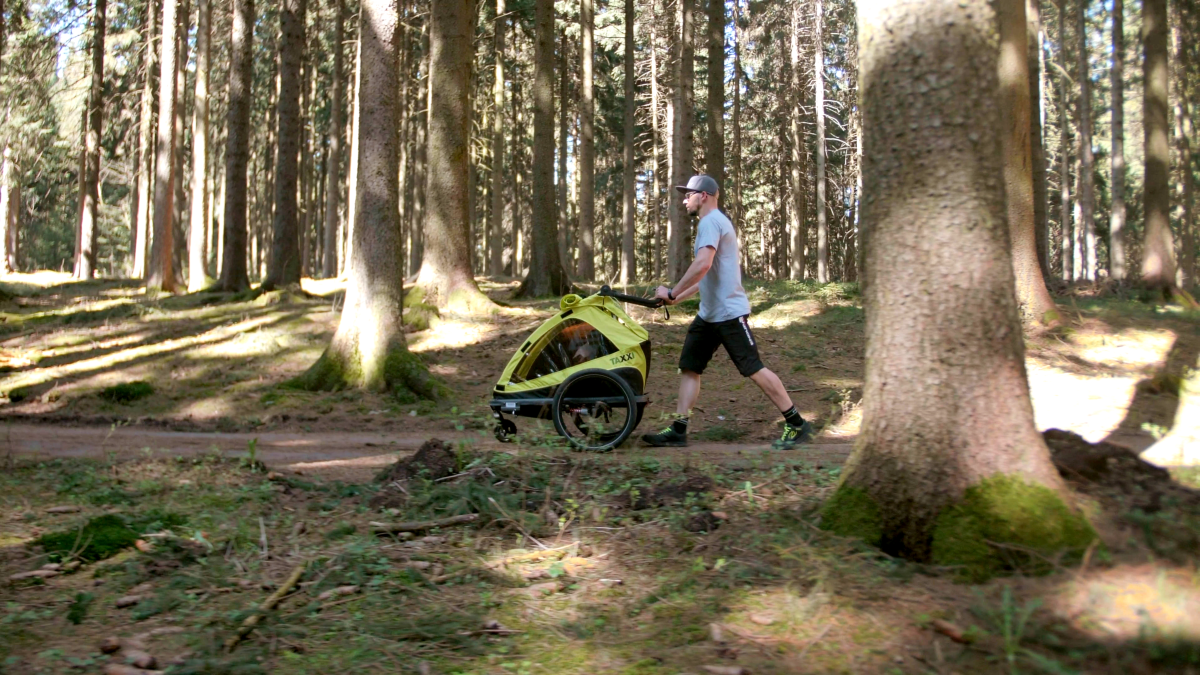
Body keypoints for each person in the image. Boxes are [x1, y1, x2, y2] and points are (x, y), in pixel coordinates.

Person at [642, 174, 816, 449]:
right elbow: (705, 276)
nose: (685, 199)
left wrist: (672, 292)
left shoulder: (710, 222)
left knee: (753, 368)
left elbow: (702, 264)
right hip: (709, 315)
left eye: (689, 194)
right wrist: (677, 299)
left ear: (704, 196)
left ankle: (796, 424)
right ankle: (678, 429)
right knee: (690, 367)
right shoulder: (714, 222)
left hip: (728, 314)